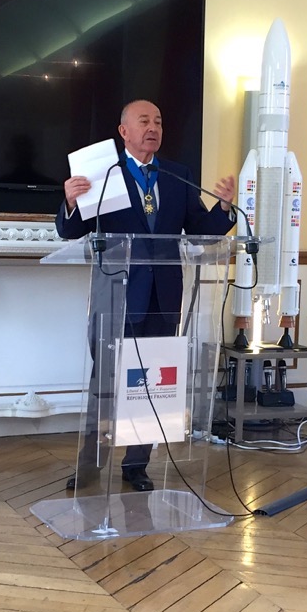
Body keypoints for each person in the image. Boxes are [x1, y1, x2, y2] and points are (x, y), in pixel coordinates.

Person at [57, 99, 236, 492]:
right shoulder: (103, 173)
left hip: (163, 298)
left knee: (152, 383)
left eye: (158, 121)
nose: (153, 128)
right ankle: (91, 465)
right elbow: (70, 231)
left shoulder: (177, 175)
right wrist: (70, 201)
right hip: (116, 297)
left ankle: (136, 465)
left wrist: (223, 207)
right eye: (144, 121)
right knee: (105, 384)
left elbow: (201, 230)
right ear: (124, 131)